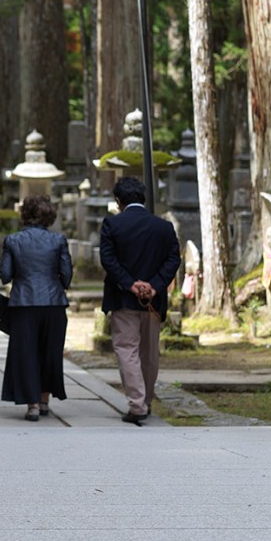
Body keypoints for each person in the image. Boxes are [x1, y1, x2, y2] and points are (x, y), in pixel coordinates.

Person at [99, 176, 181, 425]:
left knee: (127, 349)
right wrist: (154, 286)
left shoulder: (112, 225)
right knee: (149, 353)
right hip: (152, 303)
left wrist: (131, 284)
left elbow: (108, 259)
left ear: (118, 201)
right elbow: (173, 260)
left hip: (124, 298)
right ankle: (146, 402)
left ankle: (137, 405)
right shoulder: (163, 227)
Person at [0, 195, 73, 422]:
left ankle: (31, 405)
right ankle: (43, 400)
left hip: (24, 303)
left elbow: (5, 276)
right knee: (50, 353)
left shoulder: (13, 240)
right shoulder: (59, 240)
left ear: (25, 214)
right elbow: (67, 276)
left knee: (26, 353)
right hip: (53, 303)